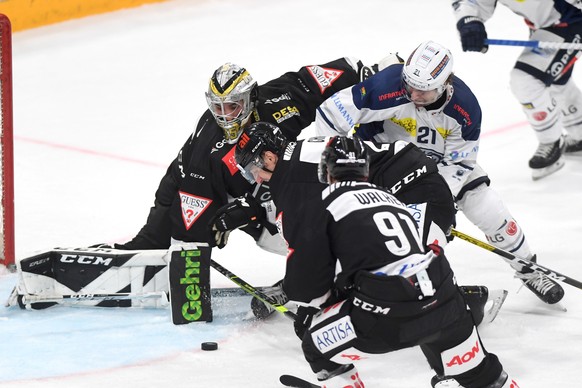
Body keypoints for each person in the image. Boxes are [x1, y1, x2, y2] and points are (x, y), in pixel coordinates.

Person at [313, 40, 564, 305]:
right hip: (382, 164)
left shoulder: (465, 109)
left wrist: (439, 202)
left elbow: (460, 162)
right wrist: (338, 171)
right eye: (410, 86)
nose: (414, 95)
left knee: (488, 209)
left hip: (438, 167)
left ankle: (528, 269)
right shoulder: (386, 86)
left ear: (447, 83)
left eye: (424, 91)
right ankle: (341, 283)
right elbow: (331, 115)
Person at [270, 135, 519, 388]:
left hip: (389, 318)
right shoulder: (394, 199)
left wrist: (315, 302)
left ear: (325, 172)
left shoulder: (320, 206)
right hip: (448, 304)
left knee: (315, 344)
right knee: (483, 376)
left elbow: (309, 288)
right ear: (366, 168)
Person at [223, 121, 505, 327]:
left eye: (252, 171)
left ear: (269, 157)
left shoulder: (292, 184)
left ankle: (464, 306)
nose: (256, 180)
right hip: (413, 187)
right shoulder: (297, 155)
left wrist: (301, 295)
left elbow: (308, 251)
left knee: (405, 279)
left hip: (416, 194)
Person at [451, 0, 582, 179]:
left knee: (527, 80)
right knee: (555, 78)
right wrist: (469, 21)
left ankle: (551, 142)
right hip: (546, 25)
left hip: (571, 20)